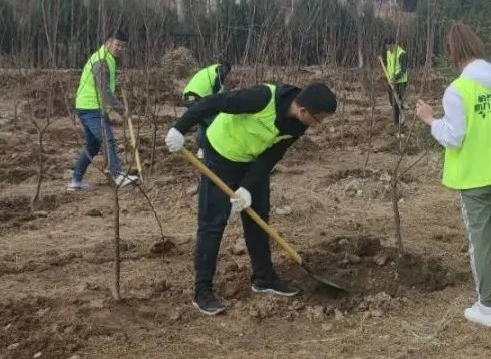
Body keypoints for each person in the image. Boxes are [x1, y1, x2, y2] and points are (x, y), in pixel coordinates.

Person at [164, 81, 337, 316]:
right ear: (304, 110)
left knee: (258, 218)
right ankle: (202, 290)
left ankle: (264, 278)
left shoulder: (297, 124)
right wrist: (179, 128)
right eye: (319, 119)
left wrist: (246, 188)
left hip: (251, 163)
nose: (319, 124)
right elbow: (214, 102)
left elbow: (271, 156)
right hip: (220, 156)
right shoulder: (261, 98)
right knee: (212, 223)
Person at [415, 23, 491, 328]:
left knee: (480, 241)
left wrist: (430, 120)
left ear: (453, 52)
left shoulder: (458, 90)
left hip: (475, 178)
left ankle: (486, 307)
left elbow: (454, 137)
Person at [69, 29, 139, 191]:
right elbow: (104, 91)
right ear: (108, 43)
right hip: (91, 107)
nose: (120, 49)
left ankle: (75, 180)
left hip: (90, 106)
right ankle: (117, 175)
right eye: (117, 44)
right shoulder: (101, 61)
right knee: (107, 140)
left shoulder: (108, 59)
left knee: (92, 146)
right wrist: (122, 110)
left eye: (123, 46)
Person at [182, 60, 232, 158]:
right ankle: (213, 150)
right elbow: (217, 86)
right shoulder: (221, 68)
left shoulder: (209, 70)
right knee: (212, 122)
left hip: (188, 97)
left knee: (204, 122)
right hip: (195, 97)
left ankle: (202, 151)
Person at [382, 38, 408, 127]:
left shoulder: (402, 54)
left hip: (400, 81)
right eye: (386, 47)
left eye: (389, 47)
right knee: (392, 101)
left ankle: (399, 122)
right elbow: (389, 65)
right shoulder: (388, 52)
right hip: (391, 81)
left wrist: (395, 78)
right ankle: (398, 115)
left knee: (397, 101)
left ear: (393, 45)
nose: (388, 49)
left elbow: (403, 70)